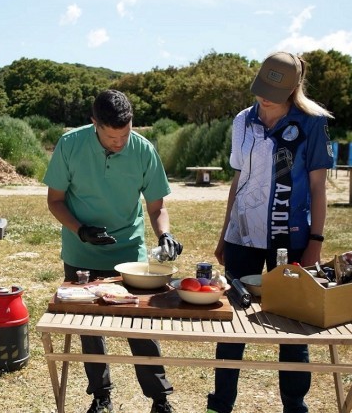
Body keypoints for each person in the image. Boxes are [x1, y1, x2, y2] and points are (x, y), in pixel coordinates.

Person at [207, 52, 335, 413]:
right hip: (242, 236)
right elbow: (238, 179)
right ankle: (221, 405)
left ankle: (295, 405)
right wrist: (224, 233)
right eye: (262, 88)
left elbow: (318, 189)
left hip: (290, 238)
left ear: (294, 88)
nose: (265, 97)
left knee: (294, 323)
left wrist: (316, 242)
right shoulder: (242, 121)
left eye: (275, 92)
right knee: (231, 322)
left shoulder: (313, 124)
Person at [43, 89, 183, 413]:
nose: (119, 143)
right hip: (81, 252)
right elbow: (55, 201)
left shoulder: (144, 150)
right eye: (111, 136)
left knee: (140, 326)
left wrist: (165, 234)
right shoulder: (69, 145)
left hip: (128, 253)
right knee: (90, 329)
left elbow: (156, 206)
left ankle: (160, 400)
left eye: (125, 133)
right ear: (94, 123)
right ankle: (101, 396)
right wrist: (81, 230)